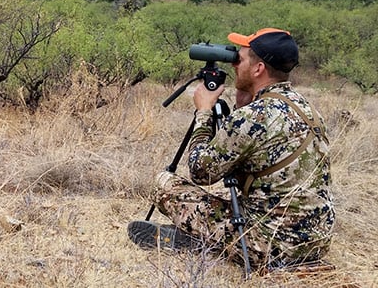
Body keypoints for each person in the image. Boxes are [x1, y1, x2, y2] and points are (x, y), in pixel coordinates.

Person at [127, 28, 335, 271]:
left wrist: (204, 111)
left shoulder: (252, 117)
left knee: (164, 183)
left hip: (269, 247)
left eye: (241, 58)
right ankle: (210, 239)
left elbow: (201, 172)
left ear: (258, 69)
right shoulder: (307, 108)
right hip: (316, 242)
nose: (235, 62)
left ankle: (201, 242)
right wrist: (242, 105)